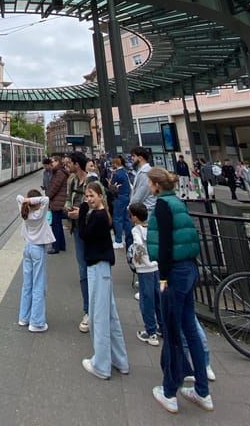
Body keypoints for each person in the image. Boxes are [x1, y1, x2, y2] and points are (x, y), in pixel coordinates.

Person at [146, 168, 213, 414]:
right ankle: (203, 391)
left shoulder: (163, 206)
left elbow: (164, 245)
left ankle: (169, 392)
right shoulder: (177, 201)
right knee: (189, 331)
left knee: (172, 332)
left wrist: (162, 277)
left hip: (173, 273)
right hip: (188, 270)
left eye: (149, 184)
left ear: (155, 185)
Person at [72, 180, 129, 380]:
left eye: (91, 196)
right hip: (102, 266)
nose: (88, 199)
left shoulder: (97, 216)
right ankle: (120, 360)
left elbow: (85, 235)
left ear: (100, 196)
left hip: (97, 267)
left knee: (99, 316)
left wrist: (80, 216)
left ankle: (102, 365)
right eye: (86, 196)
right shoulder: (102, 215)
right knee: (110, 315)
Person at [16, 188, 55, 333]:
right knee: (38, 284)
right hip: (38, 249)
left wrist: (26, 200)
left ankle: (23, 318)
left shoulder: (24, 211)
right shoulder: (39, 213)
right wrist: (33, 201)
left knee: (27, 284)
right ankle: (36, 322)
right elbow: (46, 199)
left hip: (27, 249)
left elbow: (18, 197)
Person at [128, 202, 162, 346]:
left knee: (146, 301)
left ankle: (151, 332)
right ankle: (162, 327)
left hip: (144, 269)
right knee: (158, 299)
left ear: (135, 217)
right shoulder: (152, 228)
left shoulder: (136, 230)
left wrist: (137, 259)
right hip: (156, 267)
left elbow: (138, 245)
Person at [65, 152, 90, 332]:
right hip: (77, 229)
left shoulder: (92, 183)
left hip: (90, 230)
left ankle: (91, 310)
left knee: (90, 270)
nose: (68, 165)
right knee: (82, 270)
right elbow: (68, 197)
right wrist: (68, 207)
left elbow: (99, 207)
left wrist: (80, 213)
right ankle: (87, 309)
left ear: (77, 164)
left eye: (70, 163)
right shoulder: (73, 181)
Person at [46, 154, 68, 254]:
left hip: (57, 202)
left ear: (58, 162)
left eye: (53, 161)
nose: (52, 163)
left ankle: (56, 247)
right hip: (59, 201)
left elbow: (54, 187)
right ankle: (61, 245)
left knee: (56, 225)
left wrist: (47, 197)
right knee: (58, 224)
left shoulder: (59, 173)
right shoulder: (60, 172)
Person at [110, 155, 133, 249]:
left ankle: (118, 240)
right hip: (126, 196)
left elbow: (111, 185)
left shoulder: (117, 174)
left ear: (115, 164)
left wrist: (111, 177)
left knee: (117, 218)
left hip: (119, 197)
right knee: (126, 218)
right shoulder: (124, 172)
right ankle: (129, 238)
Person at [129, 146, 157, 212]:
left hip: (146, 211)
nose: (132, 158)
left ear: (140, 158)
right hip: (143, 210)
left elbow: (140, 194)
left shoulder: (145, 173)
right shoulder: (141, 171)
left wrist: (130, 207)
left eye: (134, 156)